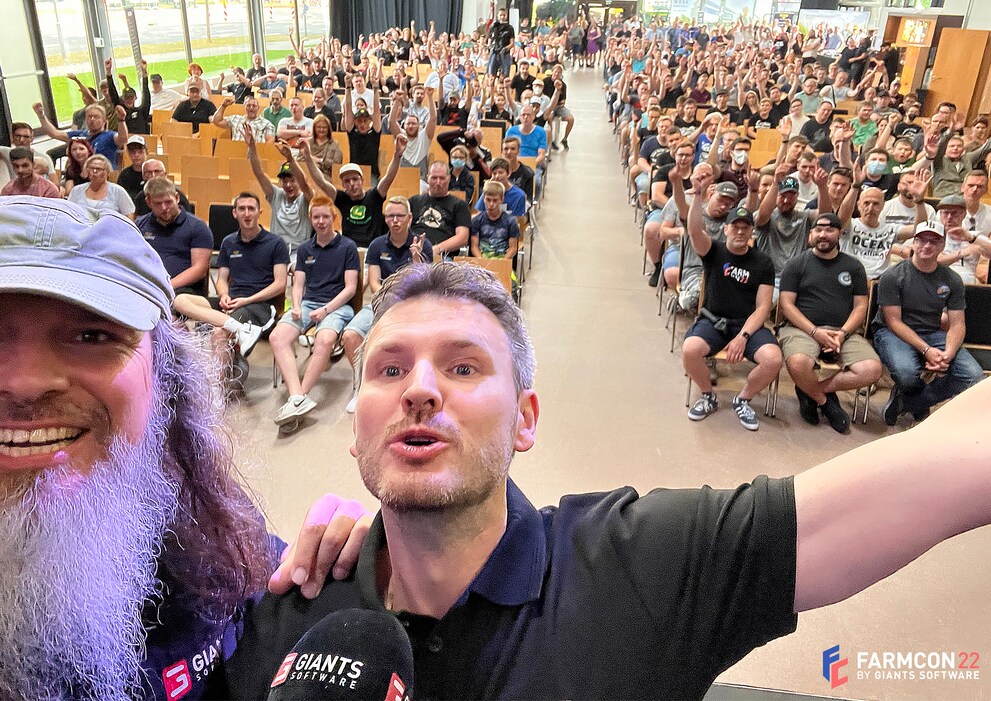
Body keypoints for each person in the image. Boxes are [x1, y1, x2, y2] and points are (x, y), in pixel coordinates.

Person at [209, 249, 991, 700]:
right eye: (387, 368)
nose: (419, 387)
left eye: (462, 365)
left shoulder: (639, 567)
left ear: (525, 419)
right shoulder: (282, 614)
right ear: (357, 428)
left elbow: (954, 455)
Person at [0, 196, 371, 700]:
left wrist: (358, 559)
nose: (25, 383)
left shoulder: (202, 523)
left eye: (91, 335)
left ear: (163, 379)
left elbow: (285, 603)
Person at [676, 167, 781, 432]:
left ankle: (743, 399)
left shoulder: (763, 262)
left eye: (746, 228)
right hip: (713, 320)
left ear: (751, 233)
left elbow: (763, 307)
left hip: (746, 326)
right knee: (690, 350)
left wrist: (742, 337)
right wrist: (699, 195)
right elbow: (694, 230)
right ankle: (708, 395)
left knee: (773, 359)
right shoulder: (713, 251)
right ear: (726, 229)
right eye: (736, 226)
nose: (740, 231)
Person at [872, 220, 985, 426]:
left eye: (934, 241)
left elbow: (957, 324)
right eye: (922, 240)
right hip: (892, 332)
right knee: (907, 374)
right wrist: (926, 350)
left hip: (932, 332)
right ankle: (912, 396)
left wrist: (948, 354)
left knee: (973, 377)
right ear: (913, 243)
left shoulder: (952, 279)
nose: (927, 246)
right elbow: (894, 321)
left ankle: (910, 402)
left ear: (942, 246)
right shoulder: (893, 276)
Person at [778, 213, 883, 433]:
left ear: (840, 234)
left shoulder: (853, 266)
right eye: (818, 230)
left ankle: (811, 391)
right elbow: (787, 305)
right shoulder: (796, 264)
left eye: (830, 230)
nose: (823, 235)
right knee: (797, 363)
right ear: (810, 235)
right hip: (803, 329)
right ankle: (826, 403)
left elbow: (861, 306)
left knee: (872, 370)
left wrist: (843, 333)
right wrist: (815, 332)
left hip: (843, 333)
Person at [270, 197, 360, 427]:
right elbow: (298, 285)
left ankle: (299, 396)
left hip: (337, 306)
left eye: (325, 217)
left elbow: (350, 288)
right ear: (310, 219)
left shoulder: (347, 247)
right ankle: (297, 397)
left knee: (325, 339)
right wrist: (297, 305)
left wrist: (326, 309)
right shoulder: (304, 249)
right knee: (277, 337)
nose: (321, 221)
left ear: (334, 218)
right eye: (316, 217)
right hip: (308, 304)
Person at [338, 195, 431, 414]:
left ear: (409, 217)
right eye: (390, 216)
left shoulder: (422, 244)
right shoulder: (377, 245)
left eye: (400, 216)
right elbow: (373, 283)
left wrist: (417, 259)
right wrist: (390, 301)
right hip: (381, 304)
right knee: (350, 335)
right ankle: (362, 386)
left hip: (412, 308)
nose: (395, 220)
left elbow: (426, 286)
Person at [173, 192, 285, 361]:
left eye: (251, 209)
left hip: (259, 305)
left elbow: (280, 284)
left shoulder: (276, 243)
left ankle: (220, 387)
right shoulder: (229, 242)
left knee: (219, 333)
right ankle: (239, 329)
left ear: (259, 212)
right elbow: (222, 279)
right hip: (231, 301)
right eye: (242, 209)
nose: (246, 214)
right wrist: (224, 295)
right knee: (180, 300)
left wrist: (246, 300)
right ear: (234, 213)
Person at [299, 133, 406, 248]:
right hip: (349, 250)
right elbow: (321, 181)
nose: (352, 184)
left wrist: (397, 155)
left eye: (355, 179)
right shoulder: (341, 198)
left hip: (372, 250)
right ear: (343, 184)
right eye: (347, 181)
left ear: (362, 180)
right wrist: (308, 157)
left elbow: (389, 177)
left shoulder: (374, 196)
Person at [136, 177, 213, 296]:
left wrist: (166, 286)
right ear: (148, 202)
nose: (164, 208)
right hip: (145, 286)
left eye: (168, 202)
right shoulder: (140, 225)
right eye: (157, 203)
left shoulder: (198, 227)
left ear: (177, 198)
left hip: (183, 290)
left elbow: (199, 269)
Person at [245, 128, 312, 254]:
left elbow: (304, 183)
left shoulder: (306, 197)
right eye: (284, 181)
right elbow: (259, 173)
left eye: (292, 180)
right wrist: (252, 146)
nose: (288, 185)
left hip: (299, 251)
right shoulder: (276, 195)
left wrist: (290, 159)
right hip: (275, 249)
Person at [33, 101, 128, 169]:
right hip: (79, 175)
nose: (92, 120)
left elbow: (122, 139)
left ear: (104, 120)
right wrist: (41, 116)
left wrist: (121, 120)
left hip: (102, 174)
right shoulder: (80, 134)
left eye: (96, 117)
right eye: (89, 117)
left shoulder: (110, 136)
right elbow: (54, 134)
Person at [409, 161, 473, 258]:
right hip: (413, 252)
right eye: (434, 178)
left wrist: (436, 249)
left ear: (448, 179)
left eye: (442, 178)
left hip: (442, 256)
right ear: (427, 178)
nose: (438, 183)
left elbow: (462, 237)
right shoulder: (414, 201)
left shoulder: (460, 205)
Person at [68, 155, 136, 219]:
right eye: (91, 168)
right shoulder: (77, 190)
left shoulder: (118, 191)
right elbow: (68, 213)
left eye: (98, 169)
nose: (94, 172)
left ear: (107, 172)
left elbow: (129, 216)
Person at [470, 179, 520, 260]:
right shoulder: (476, 220)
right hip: (482, 261)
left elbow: (513, 248)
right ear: (484, 199)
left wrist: (501, 263)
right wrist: (482, 261)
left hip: (503, 261)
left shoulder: (511, 221)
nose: (491, 204)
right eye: (488, 200)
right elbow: (474, 247)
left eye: (495, 200)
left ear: (502, 199)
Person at [117, 135, 149, 201]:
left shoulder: (153, 171)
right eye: (133, 152)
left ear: (146, 152)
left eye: (140, 152)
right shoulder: (124, 174)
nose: (136, 155)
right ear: (128, 154)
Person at [488, 7, 515, 77]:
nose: (502, 17)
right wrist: (489, 46)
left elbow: (512, 42)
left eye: (504, 15)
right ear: (498, 16)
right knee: (491, 73)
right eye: (501, 15)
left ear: (506, 16)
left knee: (505, 74)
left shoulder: (510, 28)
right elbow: (490, 39)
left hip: (505, 53)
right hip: (494, 52)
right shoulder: (494, 26)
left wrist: (506, 48)